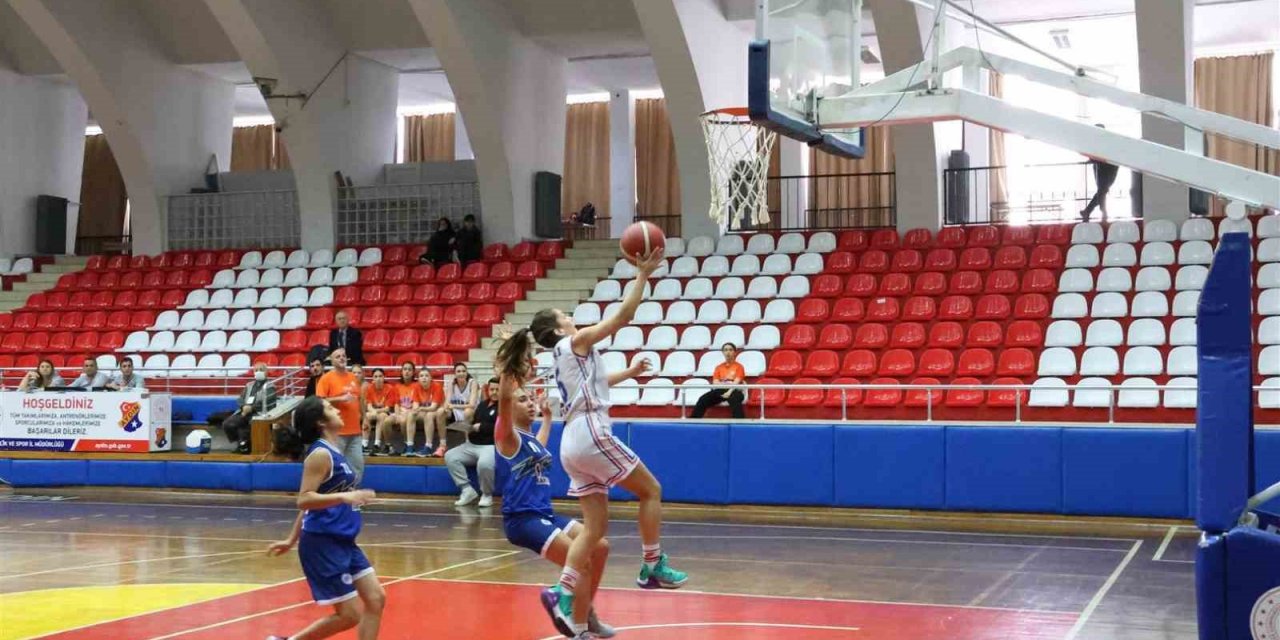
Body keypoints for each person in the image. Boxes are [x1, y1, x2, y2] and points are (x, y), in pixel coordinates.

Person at [495, 247, 687, 640]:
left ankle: (563, 594)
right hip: (591, 433)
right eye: (565, 316)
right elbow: (622, 317)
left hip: (573, 442)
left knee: (595, 528)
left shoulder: (567, 356)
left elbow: (594, 387)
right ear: (558, 328)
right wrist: (643, 274)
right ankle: (653, 564)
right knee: (651, 490)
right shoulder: (577, 340)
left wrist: (628, 372)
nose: (571, 317)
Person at [494, 375, 615, 638]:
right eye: (522, 399)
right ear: (509, 408)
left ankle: (587, 613)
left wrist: (547, 418)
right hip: (523, 519)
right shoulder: (508, 438)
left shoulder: (530, 440)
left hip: (544, 513)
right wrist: (508, 369)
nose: (530, 403)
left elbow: (540, 445)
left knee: (600, 547)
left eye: (530, 398)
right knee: (580, 561)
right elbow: (503, 397)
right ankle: (580, 628)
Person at [265, 396, 384, 640]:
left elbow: (310, 506)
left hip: (343, 541)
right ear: (321, 422)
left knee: (376, 598)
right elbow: (304, 500)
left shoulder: (334, 450)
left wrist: (290, 540)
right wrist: (345, 497)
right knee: (350, 615)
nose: (337, 409)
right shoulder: (320, 455)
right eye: (330, 408)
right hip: (323, 543)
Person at [445, 377, 497, 508]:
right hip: (473, 444)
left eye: (497, 389)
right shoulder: (482, 405)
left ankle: (486, 494)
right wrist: (466, 427)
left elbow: (503, 428)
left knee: (485, 464)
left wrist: (482, 427)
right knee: (450, 456)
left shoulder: (505, 407)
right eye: (492, 389)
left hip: (491, 445)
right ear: (488, 390)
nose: (494, 392)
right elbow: (474, 423)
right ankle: (467, 489)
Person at [316, 349, 365, 481]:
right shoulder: (326, 379)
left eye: (343, 356)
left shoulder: (353, 377)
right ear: (331, 361)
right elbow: (319, 401)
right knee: (336, 468)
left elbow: (359, 399)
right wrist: (340, 399)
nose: (342, 358)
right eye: (338, 357)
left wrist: (364, 418)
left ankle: (352, 497)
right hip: (336, 432)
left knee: (358, 466)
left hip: (355, 432)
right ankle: (337, 497)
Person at [222, 362, 278, 454]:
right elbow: (240, 398)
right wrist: (244, 407)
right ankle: (241, 444)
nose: (258, 372)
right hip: (244, 411)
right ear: (253, 372)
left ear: (266, 372)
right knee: (228, 424)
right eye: (256, 370)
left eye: (261, 370)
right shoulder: (249, 385)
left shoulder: (270, 386)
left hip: (260, 412)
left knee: (247, 426)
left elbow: (267, 401)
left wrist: (251, 408)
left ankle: (247, 446)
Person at [690, 343, 747, 419]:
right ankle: (693, 421)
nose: (728, 352)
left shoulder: (739, 367)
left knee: (734, 400)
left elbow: (736, 382)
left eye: (730, 350)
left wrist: (729, 391)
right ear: (723, 352)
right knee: (703, 399)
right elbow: (715, 382)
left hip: (734, 390)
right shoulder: (719, 367)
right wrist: (726, 385)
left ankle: (739, 424)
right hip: (721, 389)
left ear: (734, 352)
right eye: (725, 350)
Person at [435, 363, 479, 455]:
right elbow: (447, 403)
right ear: (455, 374)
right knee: (440, 412)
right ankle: (442, 445)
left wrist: (453, 406)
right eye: (458, 371)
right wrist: (446, 407)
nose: (461, 373)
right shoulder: (452, 383)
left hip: (472, 411)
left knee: (467, 412)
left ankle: (468, 443)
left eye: (463, 371)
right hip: (457, 411)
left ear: (467, 373)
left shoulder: (472, 383)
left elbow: (471, 405)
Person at [1081, 124, 1119, 223]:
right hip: (1102, 166)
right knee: (1102, 190)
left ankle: (1092, 211)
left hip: (1108, 166)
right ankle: (1097, 211)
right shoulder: (1096, 140)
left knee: (1102, 190)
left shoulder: (1107, 140)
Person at [404, 369, 444, 457]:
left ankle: (428, 446)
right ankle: (410, 445)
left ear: (431, 378)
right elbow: (415, 406)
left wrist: (420, 408)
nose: (424, 378)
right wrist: (414, 410)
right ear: (418, 379)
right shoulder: (416, 387)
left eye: (426, 376)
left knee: (428, 415)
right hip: (425, 410)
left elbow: (433, 407)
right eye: (421, 376)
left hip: (438, 411)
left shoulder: (437, 386)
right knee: (411, 414)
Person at [362, 369, 398, 455]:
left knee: (382, 416)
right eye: (376, 376)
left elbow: (387, 408)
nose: (378, 378)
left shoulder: (390, 388)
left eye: (380, 376)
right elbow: (369, 406)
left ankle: (377, 444)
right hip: (373, 411)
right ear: (373, 379)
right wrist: (373, 411)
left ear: (384, 377)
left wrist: (376, 411)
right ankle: (364, 444)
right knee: (366, 415)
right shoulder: (369, 388)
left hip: (385, 413)